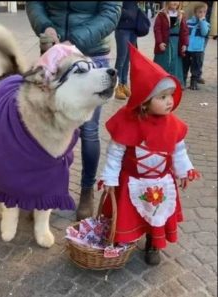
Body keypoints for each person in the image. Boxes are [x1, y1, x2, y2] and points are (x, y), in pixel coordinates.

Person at [99, 44, 200, 266]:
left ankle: (153, 242)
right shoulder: (127, 122)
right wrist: (109, 178)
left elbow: (179, 150)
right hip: (131, 180)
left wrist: (184, 171)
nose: (169, 101)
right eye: (162, 97)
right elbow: (115, 153)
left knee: (156, 213)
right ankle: (123, 238)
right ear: (144, 101)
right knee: (128, 213)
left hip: (160, 181)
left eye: (170, 95)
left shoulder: (173, 124)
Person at [25, 2, 122, 221]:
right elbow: (35, 3)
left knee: (88, 131)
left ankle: (86, 192)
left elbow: (110, 13)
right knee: (45, 129)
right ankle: (43, 192)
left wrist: (75, 41)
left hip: (91, 56)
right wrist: (46, 27)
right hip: (53, 54)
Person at [153, 2, 189, 88]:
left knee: (175, 62)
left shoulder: (181, 15)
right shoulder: (161, 15)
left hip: (177, 43)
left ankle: (176, 83)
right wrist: (160, 42)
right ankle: (160, 82)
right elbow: (157, 30)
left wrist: (185, 43)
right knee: (163, 62)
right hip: (165, 42)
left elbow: (185, 31)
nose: (175, 2)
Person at [183, 3, 210, 90]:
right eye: (200, 12)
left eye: (204, 12)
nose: (202, 14)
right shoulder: (188, 22)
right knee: (185, 65)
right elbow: (184, 33)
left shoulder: (205, 24)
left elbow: (204, 32)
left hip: (198, 49)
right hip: (187, 48)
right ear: (195, 13)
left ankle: (193, 82)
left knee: (196, 66)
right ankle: (182, 81)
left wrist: (202, 21)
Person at [114, 1, 138, 100]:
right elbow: (116, 9)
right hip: (122, 29)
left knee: (128, 58)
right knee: (121, 58)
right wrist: (130, 13)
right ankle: (116, 86)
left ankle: (124, 83)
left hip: (133, 29)